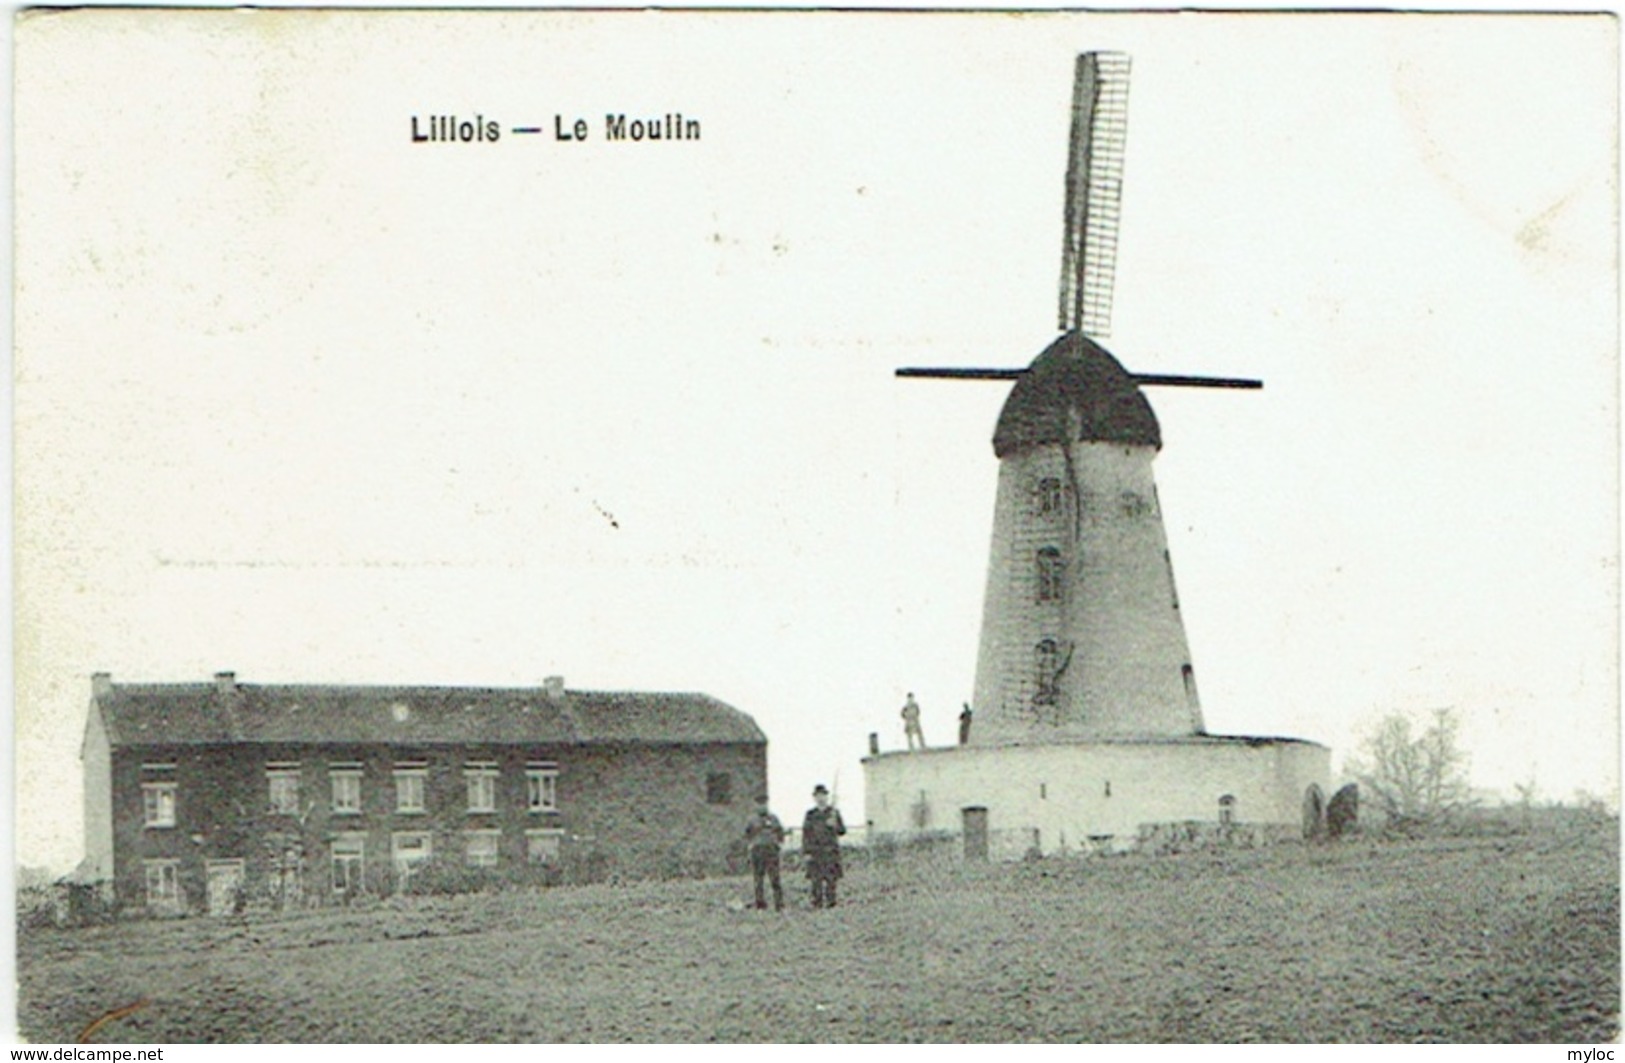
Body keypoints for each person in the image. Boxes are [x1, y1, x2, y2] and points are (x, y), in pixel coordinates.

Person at [802, 783, 846, 908]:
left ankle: (831, 902)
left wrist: (835, 825)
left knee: (831, 879)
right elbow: (806, 834)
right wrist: (807, 852)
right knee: (816, 879)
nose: (821, 798)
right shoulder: (810, 815)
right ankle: (817, 902)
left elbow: (842, 831)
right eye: (818, 796)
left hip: (830, 851)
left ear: (827, 797)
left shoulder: (834, 812)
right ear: (814, 798)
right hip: (816, 851)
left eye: (823, 795)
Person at [743, 796, 785, 911]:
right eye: (759, 804)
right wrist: (751, 846)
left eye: (764, 803)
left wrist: (778, 844)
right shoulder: (751, 820)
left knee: (775, 878)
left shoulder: (773, 818)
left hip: (771, 851)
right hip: (757, 851)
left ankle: (779, 904)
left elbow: (780, 833)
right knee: (758, 879)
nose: (762, 806)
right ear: (756, 805)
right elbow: (747, 835)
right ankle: (760, 904)